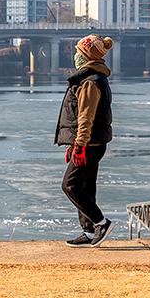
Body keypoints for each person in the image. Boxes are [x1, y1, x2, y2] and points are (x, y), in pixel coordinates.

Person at [54, 35, 114, 247]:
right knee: (86, 186)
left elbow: (85, 118)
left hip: (89, 144)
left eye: (79, 51)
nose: (76, 55)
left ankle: (100, 222)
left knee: (70, 185)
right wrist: (73, 145)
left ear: (86, 55)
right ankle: (88, 232)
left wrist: (79, 146)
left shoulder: (90, 82)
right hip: (91, 143)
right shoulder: (91, 78)